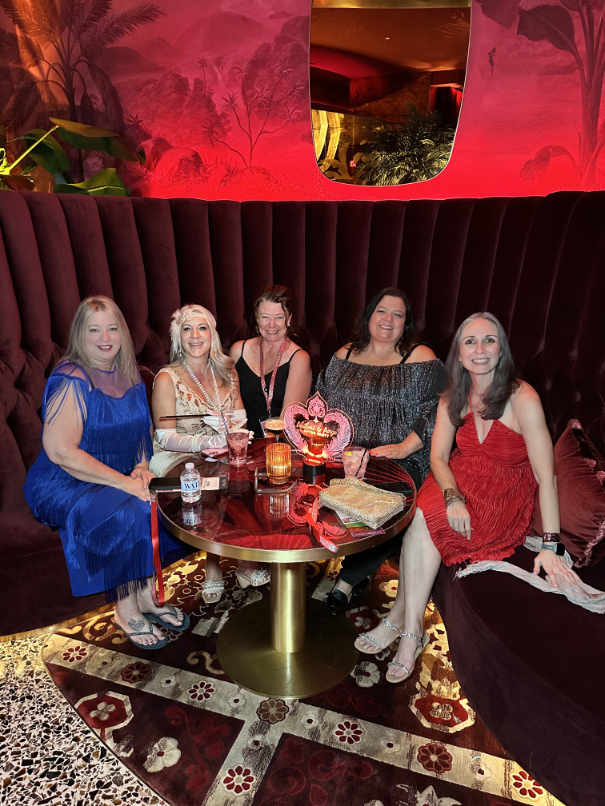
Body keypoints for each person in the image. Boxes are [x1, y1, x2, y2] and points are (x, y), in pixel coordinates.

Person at [355, 312, 578, 683]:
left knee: (422, 522)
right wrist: (452, 496)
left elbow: (546, 476)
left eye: (489, 340)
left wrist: (551, 544)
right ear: (459, 354)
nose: (480, 349)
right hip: (455, 479)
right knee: (420, 513)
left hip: (502, 492)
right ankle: (410, 629)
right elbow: (438, 458)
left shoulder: (523, 397)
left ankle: (401, 622)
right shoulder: (454, 395)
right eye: (470, 342)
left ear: (501, 349)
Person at [24, 296, 190, 650]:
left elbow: (142, 431)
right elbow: (60, 451)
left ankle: (146, 596)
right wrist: (125, 483)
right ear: (79, 334)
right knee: (129, 510)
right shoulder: (71, 378)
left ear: (122, 333)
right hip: (64, 480)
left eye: (112, 328)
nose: (105, 338)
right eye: (94, 330)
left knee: (158, 500)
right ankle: (125, 609)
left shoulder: (129, 371)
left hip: (117, 473)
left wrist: (141, 468)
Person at [316, 287, 446, 615]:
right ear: (369, 316)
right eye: (382, 311)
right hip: (345, 454)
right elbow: (322, 404)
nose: (388, 319)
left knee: (391, 503)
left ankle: (348, 579)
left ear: (406, 323)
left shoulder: (420, 357)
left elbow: (439, 410)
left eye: (397, 314)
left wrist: (404, 447)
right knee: (310, 483)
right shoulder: (344, 354)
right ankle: (340, 564)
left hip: (399, 458)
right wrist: (333, 446)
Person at [150, 304, 269, 601]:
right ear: (178, 337)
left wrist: (228, 431)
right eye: (187, 329)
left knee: (251, 478)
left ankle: (245, 558)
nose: (195, 335)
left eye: (202, 328)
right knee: (210, 485)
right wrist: (205, 443)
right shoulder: (167, 378)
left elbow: (240, 418)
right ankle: (214, 567)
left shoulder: (227, 371)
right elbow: (165, 436)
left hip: (221, 451)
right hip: (178, 456)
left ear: (212, 334)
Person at [230, 285, 312, 439]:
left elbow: (288, 421)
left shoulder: (299, 358)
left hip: (278, 444)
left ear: (288, 319)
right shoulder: (237, 351)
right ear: (257, 319)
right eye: (265, 317)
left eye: (279, 317)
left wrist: (262, 448)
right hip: (241, 440)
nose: (272, 324)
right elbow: (228, 405)